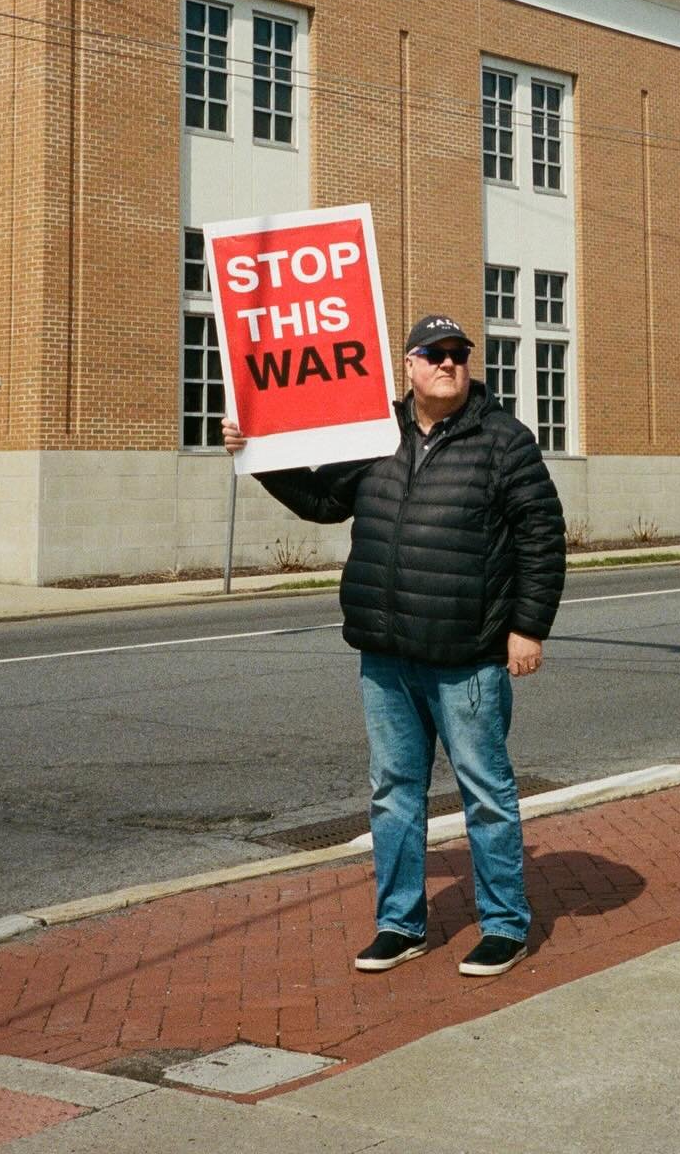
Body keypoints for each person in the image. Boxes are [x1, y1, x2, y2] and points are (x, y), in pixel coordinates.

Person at [222, 310, 565, 978]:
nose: (448, 363)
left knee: (486, 794)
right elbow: (323, 501)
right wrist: (256, 457)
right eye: (433, 353)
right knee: (393, 793)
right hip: (386, 656)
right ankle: (400, 925)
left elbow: (541, 536)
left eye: (458, 353)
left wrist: (528, 628)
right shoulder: (375, 433)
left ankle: (504, 926)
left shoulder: (505, 440)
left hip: (468, 656)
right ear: (408, 366)